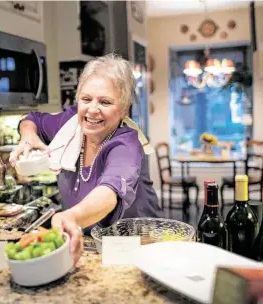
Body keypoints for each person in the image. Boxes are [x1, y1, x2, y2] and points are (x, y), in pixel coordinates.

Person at [10, 54, 163, 265]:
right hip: (91, 248)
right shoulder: (69, 124)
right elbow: (31, 119)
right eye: (86, 99)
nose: (92, 109)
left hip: (138, 247)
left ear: (124, 107)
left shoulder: (127, 144)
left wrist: (71, 217)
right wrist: (28, 136)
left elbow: (110, 192)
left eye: (105, 102)